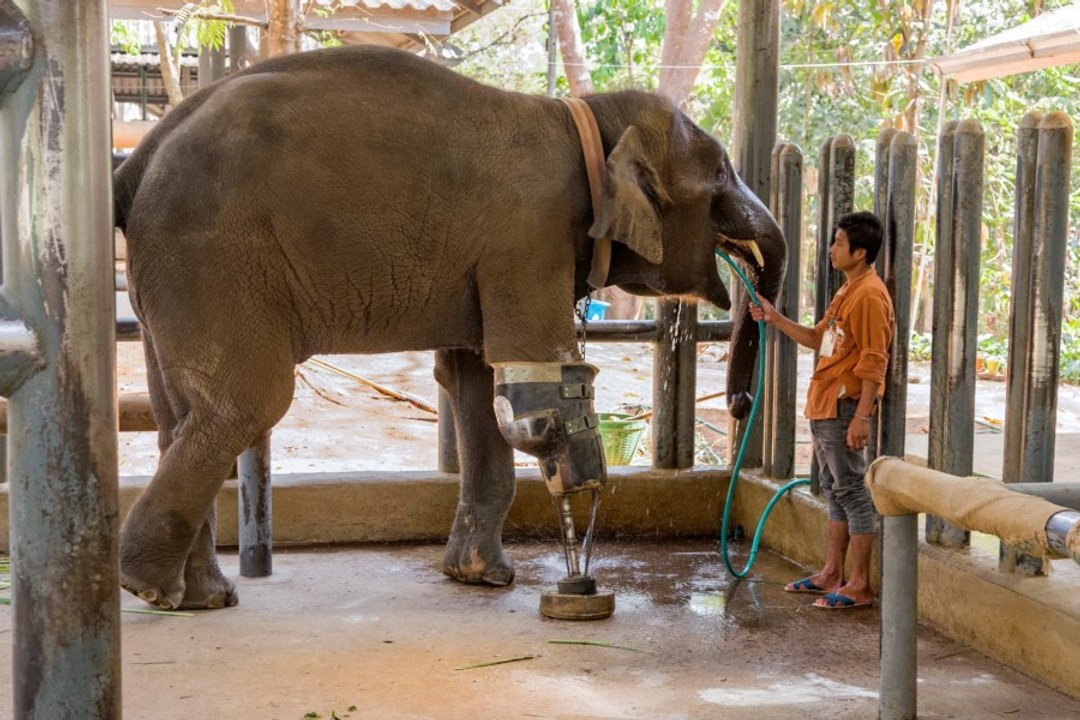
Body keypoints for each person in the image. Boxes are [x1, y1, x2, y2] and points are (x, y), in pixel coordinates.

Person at [748, 211, 894, 609]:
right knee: (834, 489)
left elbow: (874, 359)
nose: (831, 250)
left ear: (860, 252)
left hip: (844, 406)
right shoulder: (848, 290)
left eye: (839, 244)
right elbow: (818, 338)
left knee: (852, 491)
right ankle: (833, 572)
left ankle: (860, 584)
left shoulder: (868, 295)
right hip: (826, 403)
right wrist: (774, 317)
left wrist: (862, 416)